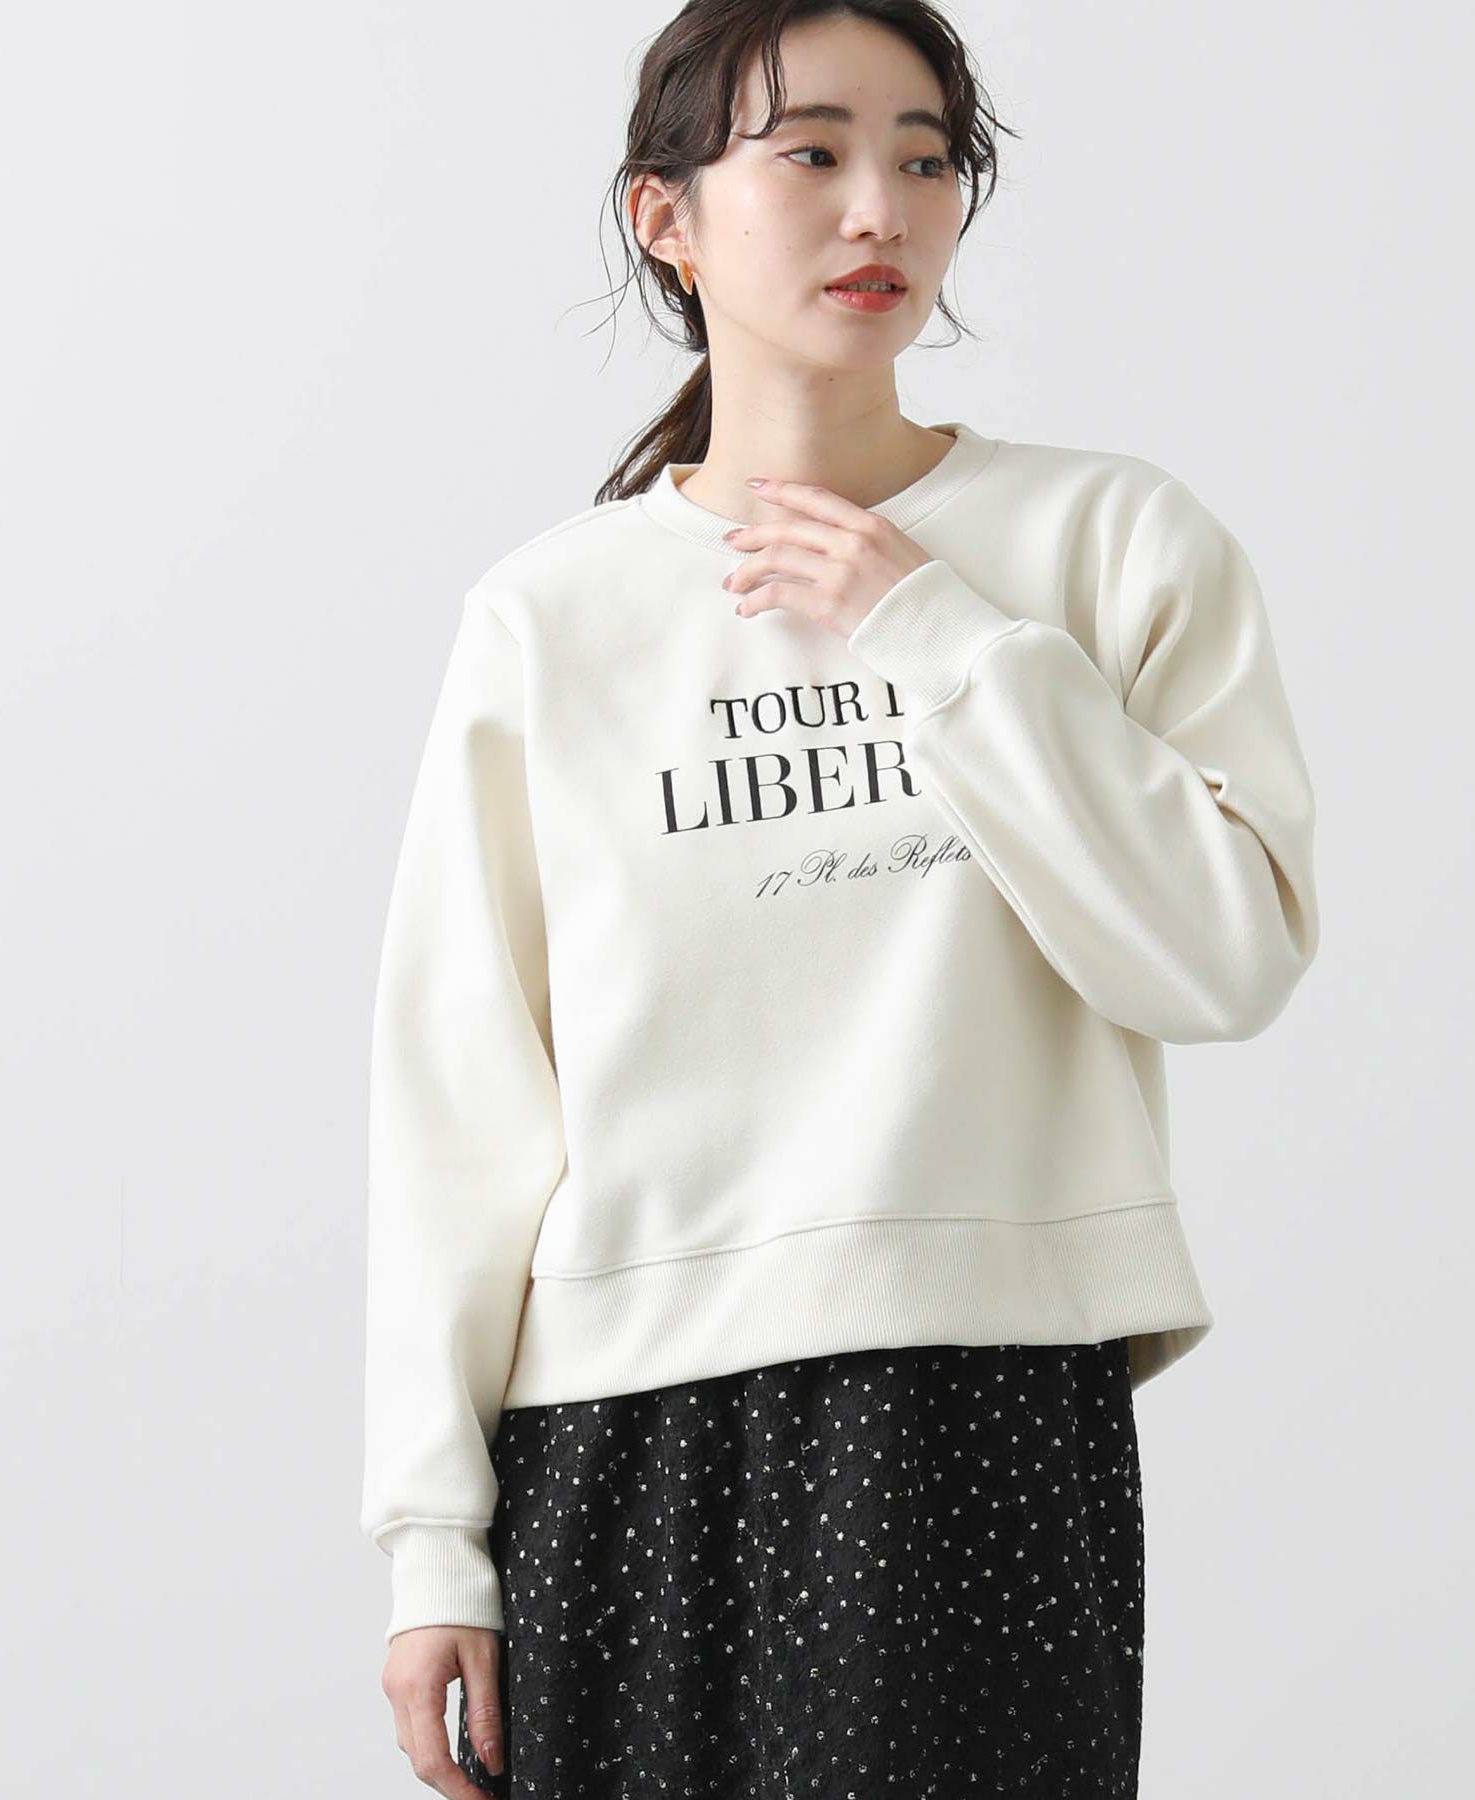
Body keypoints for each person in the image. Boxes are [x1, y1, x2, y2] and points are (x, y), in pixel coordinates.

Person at [360, 3, 1321, 1795]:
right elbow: (461, 1102)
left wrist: (931, 632)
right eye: (809, 152)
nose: (880, 206)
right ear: (664, 216)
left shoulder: (1109, 546)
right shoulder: (552, 621)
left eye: (925, 157)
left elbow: (1226, 957)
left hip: (984, 1399)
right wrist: (432, 1541)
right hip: (619, 1428)